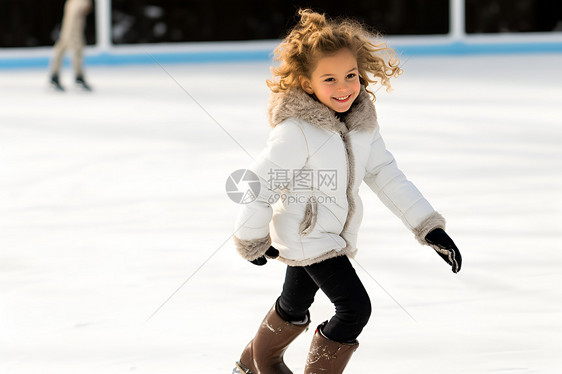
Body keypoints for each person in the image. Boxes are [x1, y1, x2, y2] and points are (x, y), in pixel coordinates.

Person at [232, 9, 462, 374]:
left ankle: (249, 365)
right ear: (308, 84)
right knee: (354, 308)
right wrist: (252, 239)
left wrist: (427, 226)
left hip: (331, 233)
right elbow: (258, 184)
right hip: (309, 236)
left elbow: (386, 174)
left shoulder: (361, 125)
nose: (344, 87)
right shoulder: (296, 131)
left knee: (293, 305)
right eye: (330, 79)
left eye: (350, 75)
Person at [49, 0, 93, 91]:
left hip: (72, 31)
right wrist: (69, 36)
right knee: (74, 51)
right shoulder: (78, 2)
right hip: (72, 32)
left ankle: (57, 75)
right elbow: (72, 20)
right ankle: (76, 76)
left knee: (64, 50)